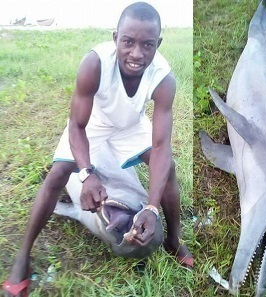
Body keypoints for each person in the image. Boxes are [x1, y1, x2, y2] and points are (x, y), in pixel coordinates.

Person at [2, 3, 193, 296]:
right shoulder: (94, 63)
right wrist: (87, 174)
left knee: (168, 169)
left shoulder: (164, 77)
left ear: (159, 44)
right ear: (115, 37)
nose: (137, 53)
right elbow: (77, 127)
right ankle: (23, 256)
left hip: (130, 126)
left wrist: (152, 208)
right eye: (128, 42)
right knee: (58, 175)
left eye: (148, 45)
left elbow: (161, 145)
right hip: (93, 123)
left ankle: (174, 238)